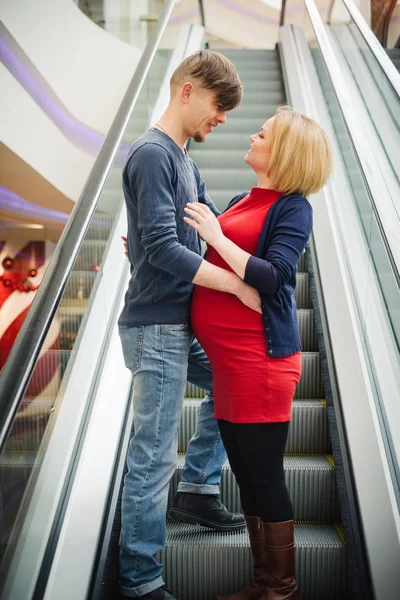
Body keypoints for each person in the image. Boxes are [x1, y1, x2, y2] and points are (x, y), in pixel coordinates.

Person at [118, 50, 263, 600]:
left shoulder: (183, 159)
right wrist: (231, 284)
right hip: (157, 327)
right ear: (188, 91)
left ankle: (199, 486)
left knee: (236, 380)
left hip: (178, 320)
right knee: (153, 454)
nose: (223, 118)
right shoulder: (153, 155)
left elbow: (203, 232)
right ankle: (140, 579)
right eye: (219, 104)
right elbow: (159, 244)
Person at [184, 106, 333, 600]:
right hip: (228, 366)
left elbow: (274, 276)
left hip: (260, 362)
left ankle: (282, 588)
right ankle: (263, 579)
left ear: (283, 151)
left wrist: (216, 236)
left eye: (262, 133)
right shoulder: (242, 198)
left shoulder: (293, 207)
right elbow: (213, 259)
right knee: (245, 478)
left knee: (264, 476)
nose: (252, 134)